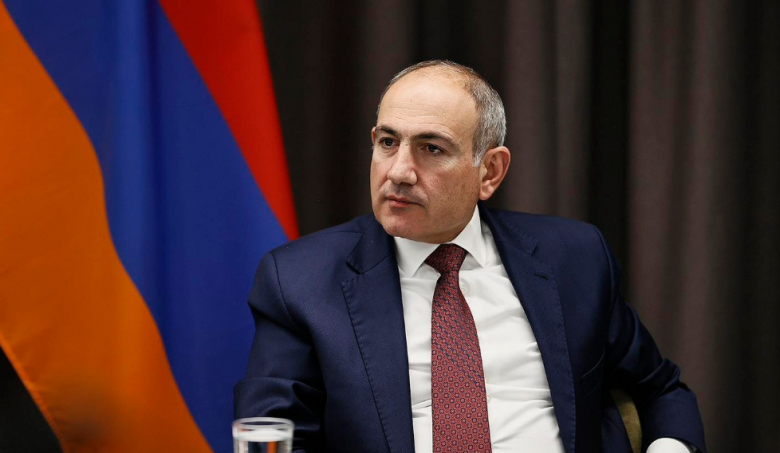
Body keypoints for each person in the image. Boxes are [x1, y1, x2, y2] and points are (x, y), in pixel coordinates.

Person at [234, 60, 706, 453]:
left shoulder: (574, 258)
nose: (399, 172)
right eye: (388, 142)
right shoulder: (300, 280)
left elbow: (660, 390)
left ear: (490, 171)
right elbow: (273, 434)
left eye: (431, 148)